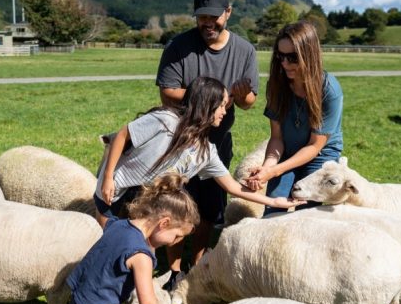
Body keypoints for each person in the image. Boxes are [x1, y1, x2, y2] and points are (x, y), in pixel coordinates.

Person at [155, 0, 259, 284]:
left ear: (228, 13)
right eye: (202, 17)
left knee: (208, 210)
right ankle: (174, 271)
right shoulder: (179, 46)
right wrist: (206, 98)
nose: (207, 23)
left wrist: (240, 96)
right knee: (176, 204)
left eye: (214, 17)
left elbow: (250, 102)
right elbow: (167, 92)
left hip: (218, 141)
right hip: (180, 140)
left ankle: (197, 266)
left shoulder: (244, 50)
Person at [95, 76, 297, 228]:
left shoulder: (205, 152)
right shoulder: (165, 121)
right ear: (207, 106)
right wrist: (107, 178)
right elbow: (122, 135)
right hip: (115, 192)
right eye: (222, 105)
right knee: (107, 243)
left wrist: (273, 201)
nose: (225, 111)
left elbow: (233, 188)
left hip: (146, 203)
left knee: (133, 249)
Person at [67, 173, 199, 304]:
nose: (172, 243)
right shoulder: (141, 256)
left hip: (79, 301)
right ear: (164, 223)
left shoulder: (118, 225)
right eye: (176, 236)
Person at [244, 21, 344, 216]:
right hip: (287, 150)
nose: (284, 64)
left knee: (306, 212)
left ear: (309, 55)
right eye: (280, 56)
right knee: (273, 207)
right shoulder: (277, 85)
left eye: (292, 57)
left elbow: (315, 146)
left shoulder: (330, 90)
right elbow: (277, 138)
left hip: (320, 155)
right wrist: (267, 168)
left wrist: (275, 171)